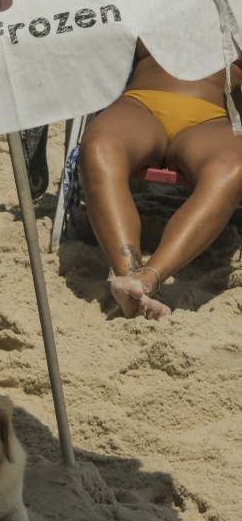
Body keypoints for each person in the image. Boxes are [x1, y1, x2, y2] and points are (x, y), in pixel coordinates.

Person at [79, 41, 242, 319]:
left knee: (233, 167)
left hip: (215, 117)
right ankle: (129, 277)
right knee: (100, 146)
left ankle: (147, 279)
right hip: (141, 104)